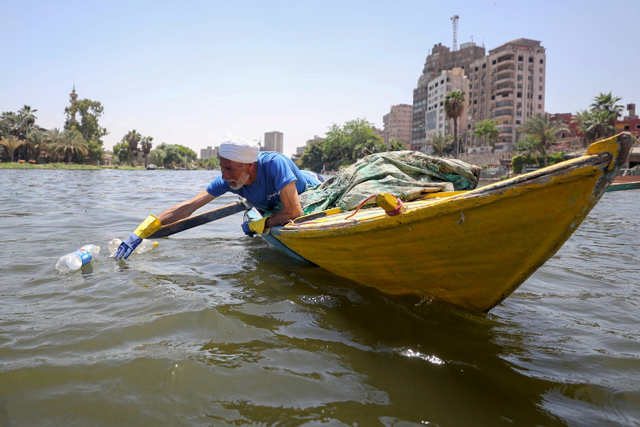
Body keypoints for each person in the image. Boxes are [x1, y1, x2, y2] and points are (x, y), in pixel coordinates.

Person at [113, 134, 322, 260]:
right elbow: (188, 207)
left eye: (230, 169)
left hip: (314, 187)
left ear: (249, 165)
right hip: (273, 205)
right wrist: (140, 232)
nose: (224, 175)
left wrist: (256, 226)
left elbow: (294, 212)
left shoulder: (275, 164)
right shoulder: (227, 181)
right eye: (222, 168)